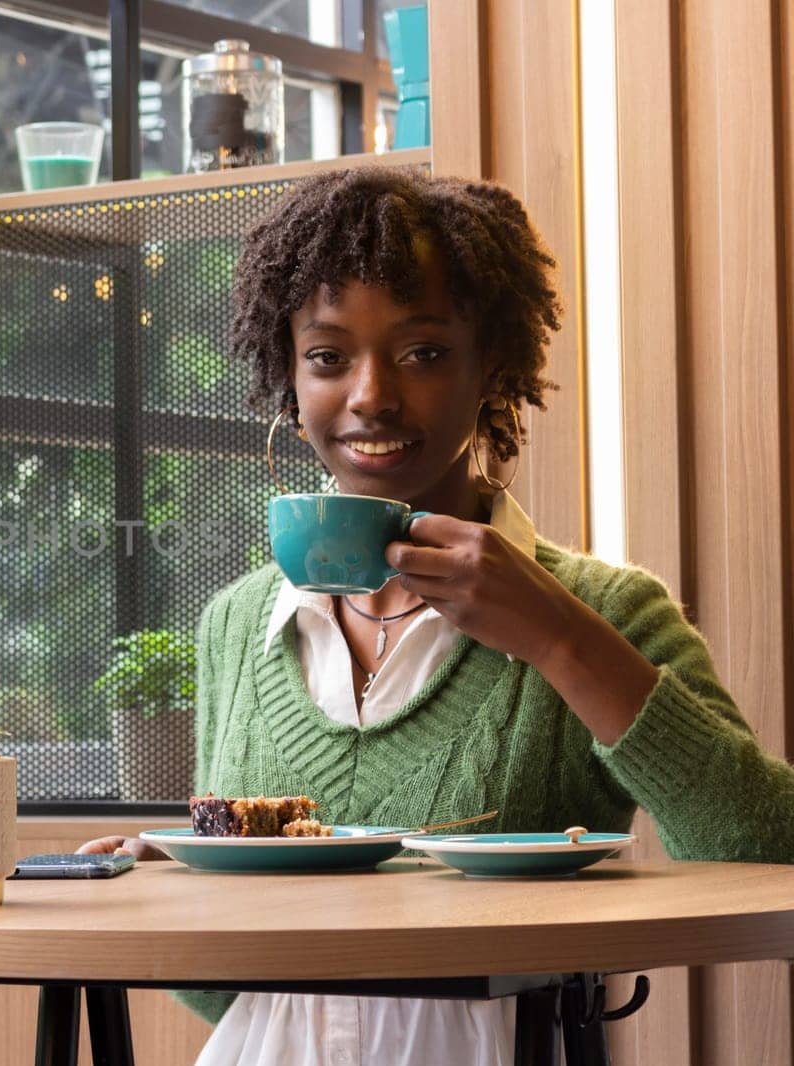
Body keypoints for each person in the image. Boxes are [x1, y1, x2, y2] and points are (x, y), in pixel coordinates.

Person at [78, 166, 794, 1066]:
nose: (372, 395)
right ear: (287, 378)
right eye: (329, 357)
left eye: (421, 352)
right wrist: (174, 887)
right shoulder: (237, 623)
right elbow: (224, 991)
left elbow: (768, 858)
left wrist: (560, 640)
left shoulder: (605, 613)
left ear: (490, 365)